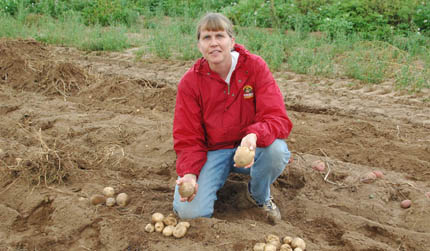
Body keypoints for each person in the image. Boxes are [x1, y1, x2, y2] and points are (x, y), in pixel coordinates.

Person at [172, 12, 293, 223]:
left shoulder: (254, 67)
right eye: (206, 37)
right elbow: (188, 137)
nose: (214, 43)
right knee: (189, 214)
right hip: (213, 151)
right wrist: (189, 173)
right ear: (199, 45)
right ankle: (210, 179)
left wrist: (254, 135)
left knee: (276, 151)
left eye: (220, 36)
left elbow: (277, 117)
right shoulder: (190, 83)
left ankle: (257, 196)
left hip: (249, 148)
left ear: (232, 41)